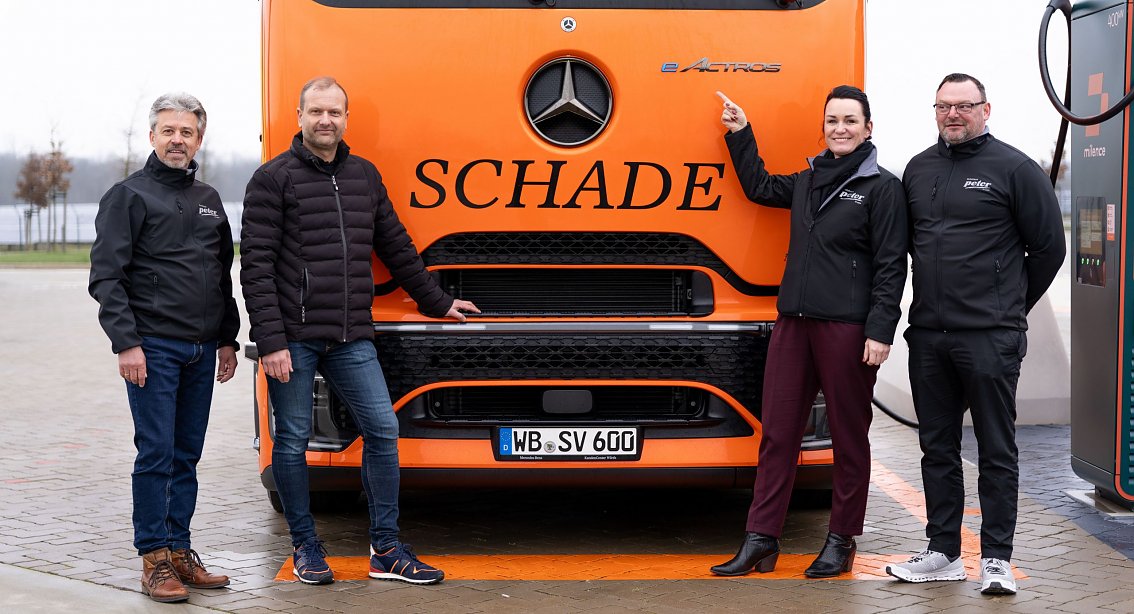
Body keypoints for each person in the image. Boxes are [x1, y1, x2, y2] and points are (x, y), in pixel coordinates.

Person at [240, 76, 479, 586]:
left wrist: (438, 302)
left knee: (383, 430)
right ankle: (305, 546)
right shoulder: (272, 179)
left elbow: (396, 246)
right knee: (292, 441)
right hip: (295, 339)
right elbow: (255, 268)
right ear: (299, 117)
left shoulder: (364, 176)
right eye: (316, 111)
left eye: (334, 112)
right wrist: (272, 342)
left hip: (352, 337)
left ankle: (385, 549)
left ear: (346, 119)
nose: (325, 120)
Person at [709, 87, 908, 578]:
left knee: (848, 437)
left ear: (868, 128)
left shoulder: (882, 187)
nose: (840, 128)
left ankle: (842, 540)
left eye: (850, 120)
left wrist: (880, 331)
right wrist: (741, 132)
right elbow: (758, 186)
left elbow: (891, 265)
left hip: (847, 328)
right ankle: (761, 538)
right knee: (778, 434)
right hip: (794, 325)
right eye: (832, 120)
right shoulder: (808, 180)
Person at [883, 74, 1065, 596]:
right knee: (936, 448)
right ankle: (942, 552)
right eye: (944, 106)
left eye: (964, 105)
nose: (953, 114)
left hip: (990, 337)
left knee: (995, 449)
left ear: (986, 109)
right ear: (935, 110)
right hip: (929, 337)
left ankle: (997, 559)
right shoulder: (918, 169)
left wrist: (1008, 307)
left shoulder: (1015, 169)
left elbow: (1049, 248)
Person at [88, 93, 239, 603]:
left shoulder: (209, 198)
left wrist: (227, 338)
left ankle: (180, 551)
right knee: (156, 452)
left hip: (203, 349)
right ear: (152, 136)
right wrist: (126, 343)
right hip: (153, 348)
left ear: (199, 139)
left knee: (186, 455)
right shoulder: (127, 196)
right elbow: (107, 277)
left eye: (187, 132)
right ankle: (154, 560)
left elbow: (221, 274)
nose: (178, 140)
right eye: (169, 131)